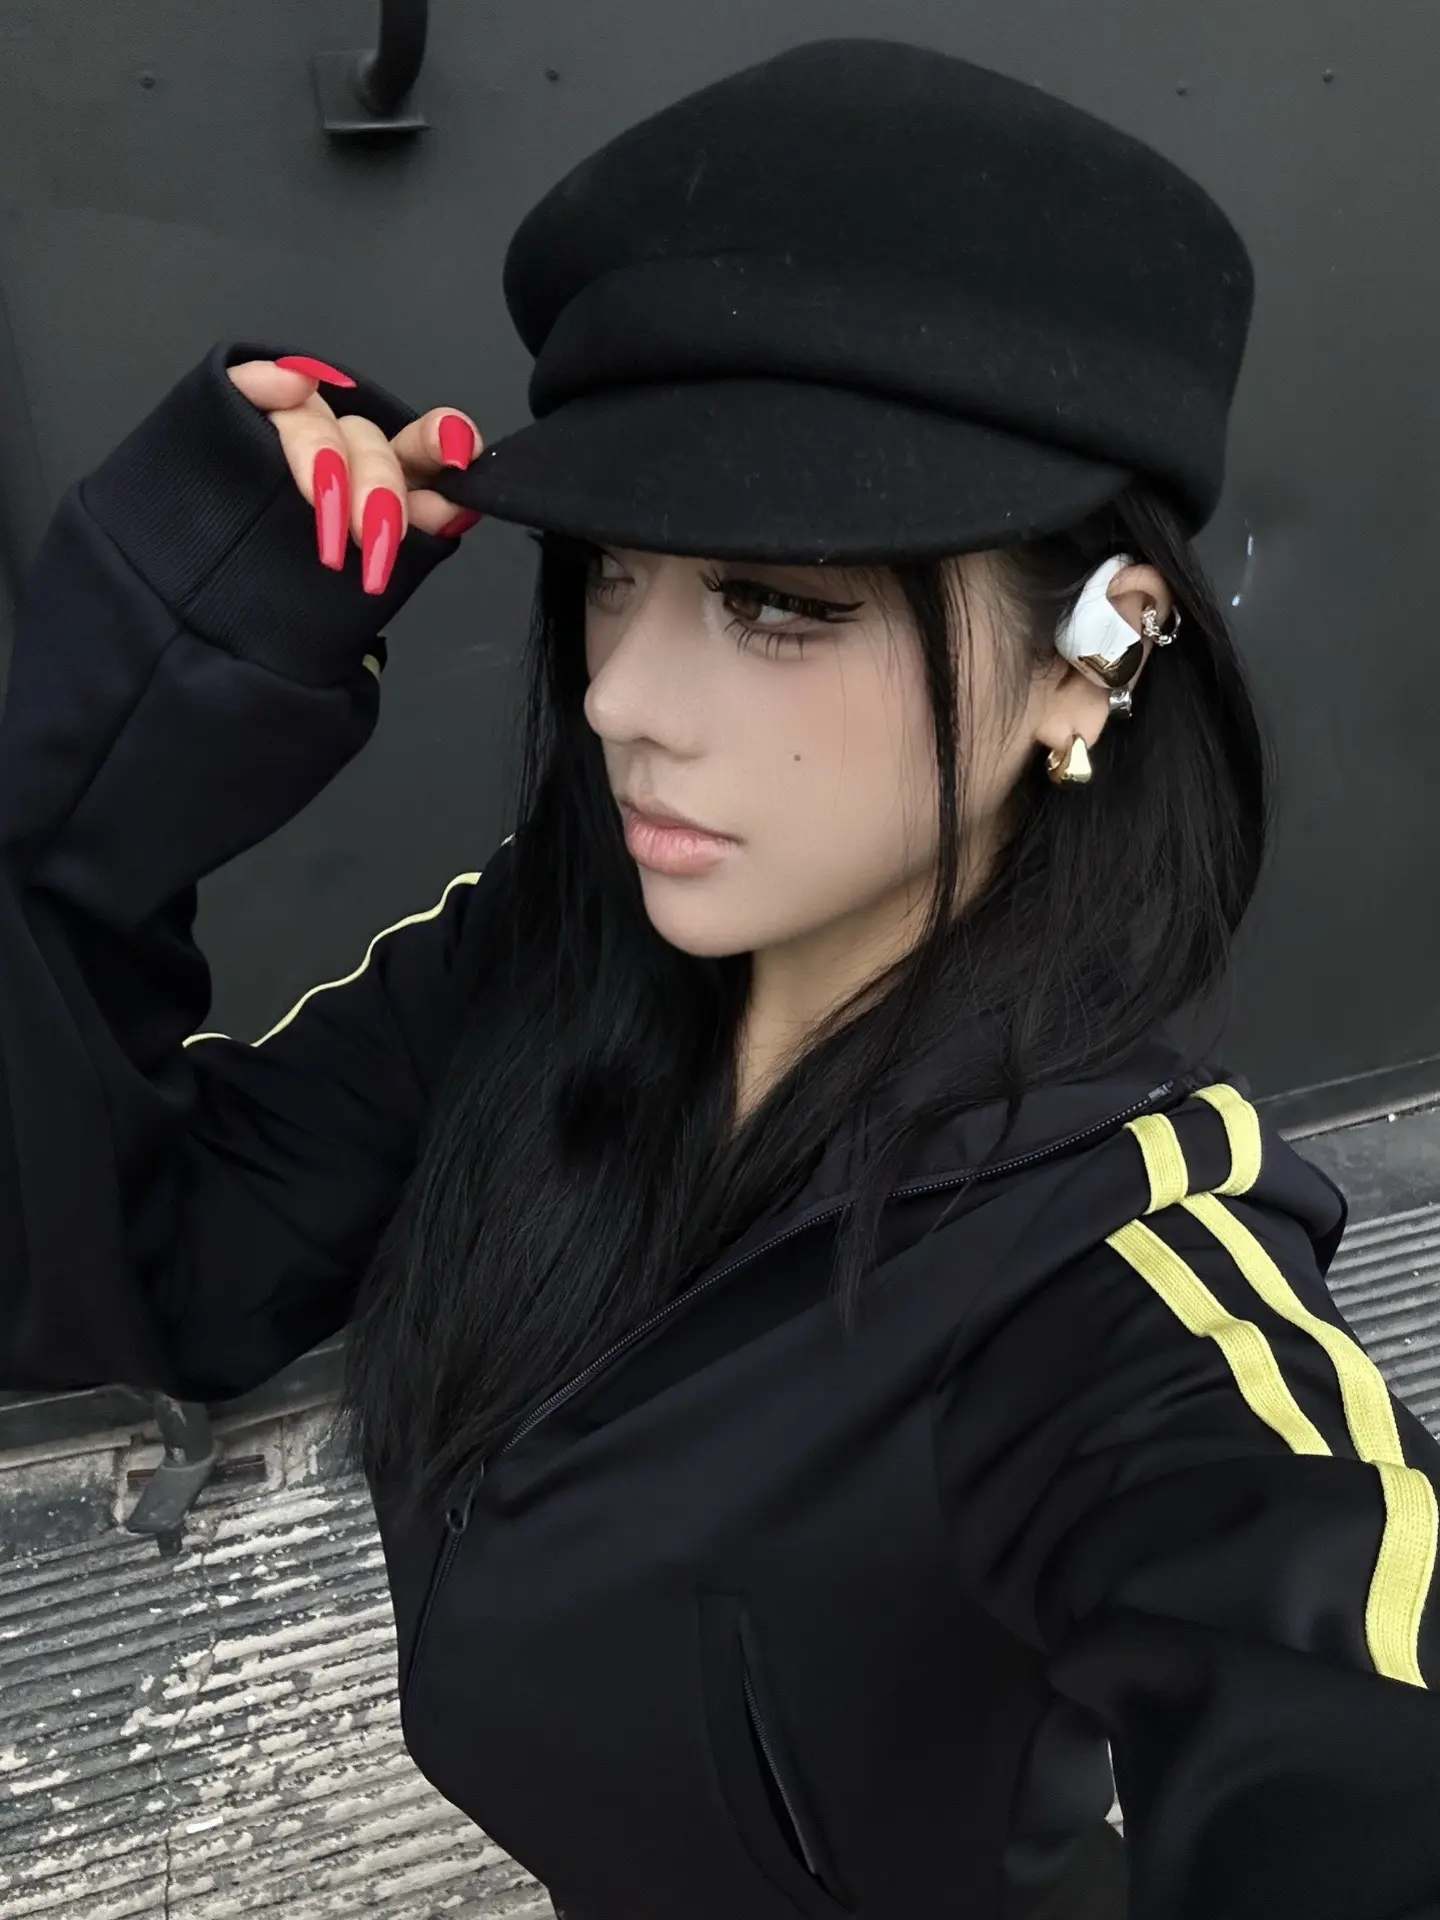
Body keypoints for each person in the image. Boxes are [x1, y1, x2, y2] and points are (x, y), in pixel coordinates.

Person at [1, 35, 1438, 1920]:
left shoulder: (1123, 1297)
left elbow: (1337, 1702)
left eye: (776, 603)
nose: (618, 696)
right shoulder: (548, 965)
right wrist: (119, 744)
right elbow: (125, 1266)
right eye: (611, 573)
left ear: (1091, 657)